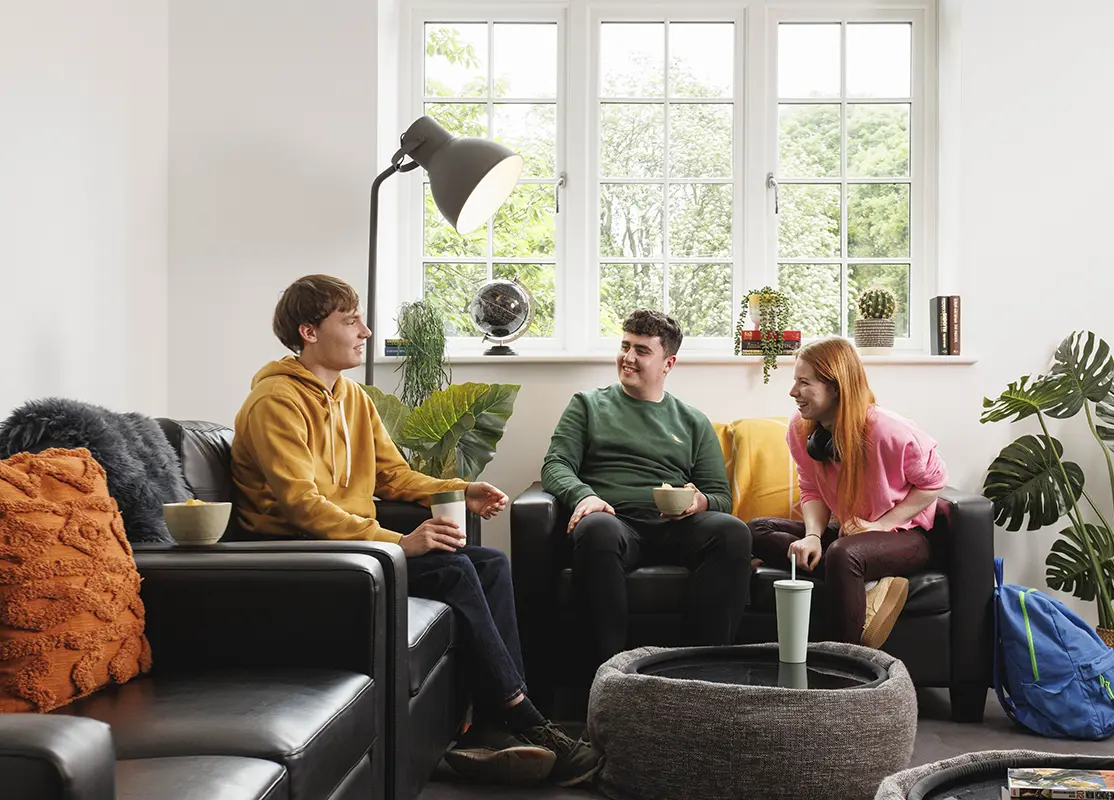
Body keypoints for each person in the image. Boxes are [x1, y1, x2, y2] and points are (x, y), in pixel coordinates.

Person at [229, 274, 600, 787]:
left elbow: (392, 474)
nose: (364, 329)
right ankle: (528, 719)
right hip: (304, 552)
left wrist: (457, 488)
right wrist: (398, 543)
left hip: (355, 546)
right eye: (349, 319)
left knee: (489, 563)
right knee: (450, 570)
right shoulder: (276, 402)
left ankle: (491, 726)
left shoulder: (352, 397)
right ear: (309, 331)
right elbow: (301, 505)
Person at [541, 310, 752, 670]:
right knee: (595, 529)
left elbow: (721, 497)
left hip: (677, 525)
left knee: (733, 532)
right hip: (616, 520)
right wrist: (586, 496)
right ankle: (609, 676)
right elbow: (556, 464)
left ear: (668, 363)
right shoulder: (588, 405)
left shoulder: (692, 421)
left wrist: (699, 502)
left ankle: (701, 673)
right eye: (625, 346)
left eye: (641, 350)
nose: (628, 358)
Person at [749, 336, 948, 648]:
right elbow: (811, 487)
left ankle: (843, 667)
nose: (793, 392)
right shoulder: (801, 429)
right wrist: (813, 536)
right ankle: (866, 586)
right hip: (848, 533)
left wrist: (881, 525)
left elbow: (934, 483)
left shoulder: (888, 430)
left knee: (844, 554)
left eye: (804, 383)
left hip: (903, 535)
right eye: (794, 381)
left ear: (836, 387)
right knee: (757, 530)